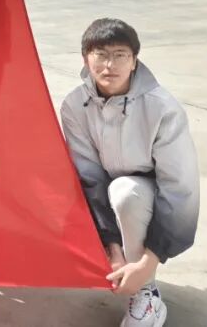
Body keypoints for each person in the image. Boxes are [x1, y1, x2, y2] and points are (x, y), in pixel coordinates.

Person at [61, 18, 199, 327]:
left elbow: (179, 188)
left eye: (120, 55)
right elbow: (89, 177)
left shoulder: (162, 107)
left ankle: (146, 292)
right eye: (100, 54)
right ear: (85, 59)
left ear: (134, 60)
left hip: (149, 194)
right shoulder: (74, 105)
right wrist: (112, 247)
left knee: (125, 191)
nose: (109, 65)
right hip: (108, 191)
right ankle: (120, 263)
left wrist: (147, 263)